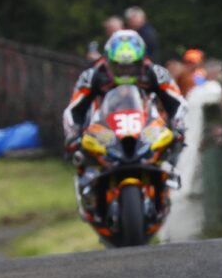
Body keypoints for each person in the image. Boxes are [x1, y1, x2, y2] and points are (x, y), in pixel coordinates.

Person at [62, 29, 187, 178]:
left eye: (131, 66)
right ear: (108, 61)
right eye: (120, 66)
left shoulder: (156, 72)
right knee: (86, 166)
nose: (125, 71)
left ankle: (163, 189)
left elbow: (177, 102)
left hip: (146, 128)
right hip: (104, 130)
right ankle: (90, 190)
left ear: (141, 61)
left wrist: (178, 127)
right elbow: (75, 108)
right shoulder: (93, 75)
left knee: (168, 162)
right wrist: (73, 134)